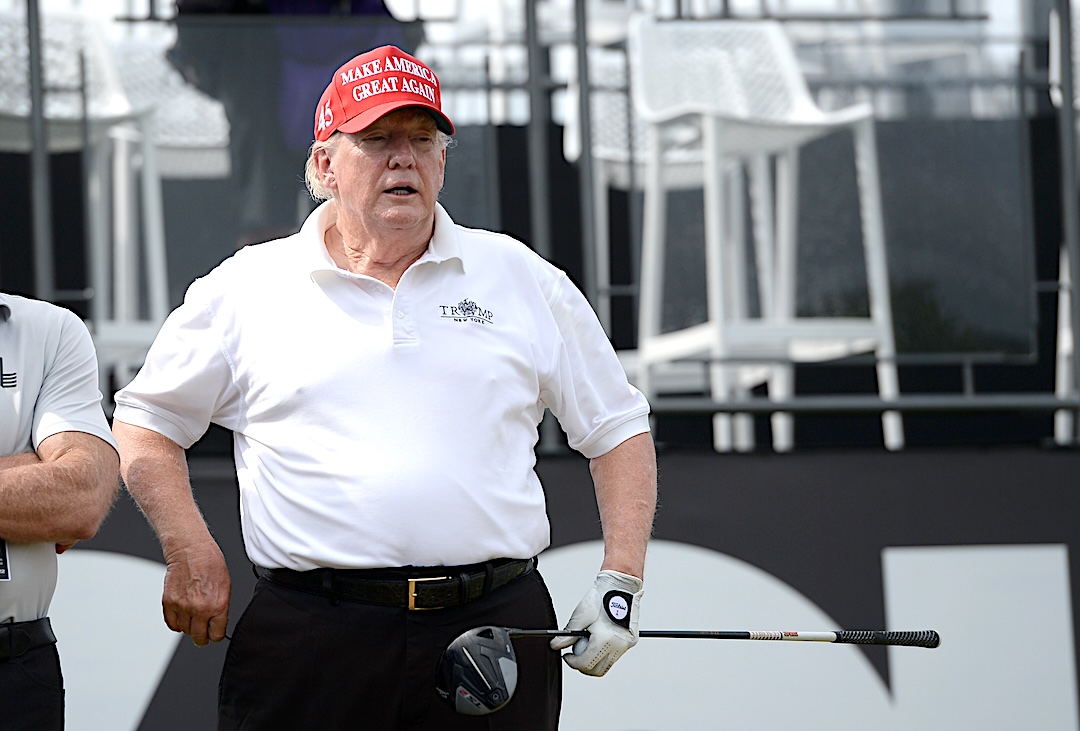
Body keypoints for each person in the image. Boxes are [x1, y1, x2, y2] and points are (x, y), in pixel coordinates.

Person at [112, 44, 657, 729]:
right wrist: (188, 546)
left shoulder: (520, 276)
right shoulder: (247, 286)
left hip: (492, 635)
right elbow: (145, 423)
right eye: (376, 140)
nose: (404, 158)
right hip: (310, 634)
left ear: (442, 163)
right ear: (324, 165)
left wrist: (620, 580)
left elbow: (617, 427)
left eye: (423, 140)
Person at [0, 290, 120, 731]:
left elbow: (80, 495)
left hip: (16, 669)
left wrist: (55, 488)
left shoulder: (49, 329)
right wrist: (29, 469)